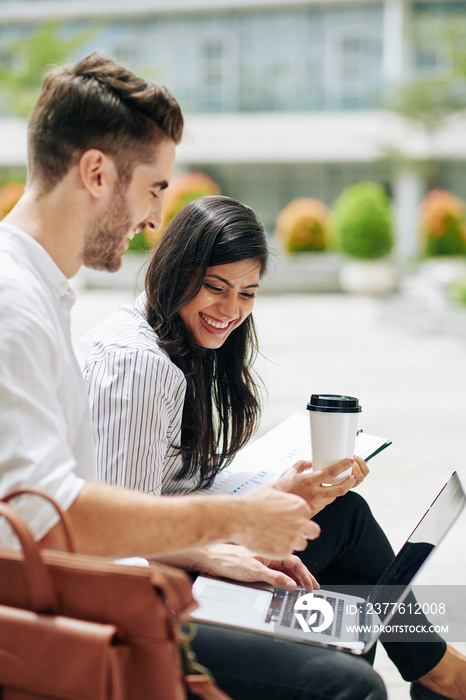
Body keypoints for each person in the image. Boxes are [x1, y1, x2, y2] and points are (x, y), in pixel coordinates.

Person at [0, 53, 387, 700]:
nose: (156, 219)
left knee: (344, 614)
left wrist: (222, 533)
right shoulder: (17, 307)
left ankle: (433, 662)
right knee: (349, 683)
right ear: (96, 172)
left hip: (100, 586)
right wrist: (233, 521)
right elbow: (51, 513)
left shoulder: (41, 295)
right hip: (74, 618)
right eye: (154, 188)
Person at [77, 194, 466, 700]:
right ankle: (436, 672)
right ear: (175, 271)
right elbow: (112, 533)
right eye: (215, 287)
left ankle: (428, 667)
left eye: (247, 293)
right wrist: (217, 551)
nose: (231, 310)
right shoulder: (139, 364)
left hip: (176, 556)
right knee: (345, 564)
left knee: (343, 515)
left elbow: (162, 489)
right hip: (148, 587)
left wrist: (277, 494)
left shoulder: (176, 343)